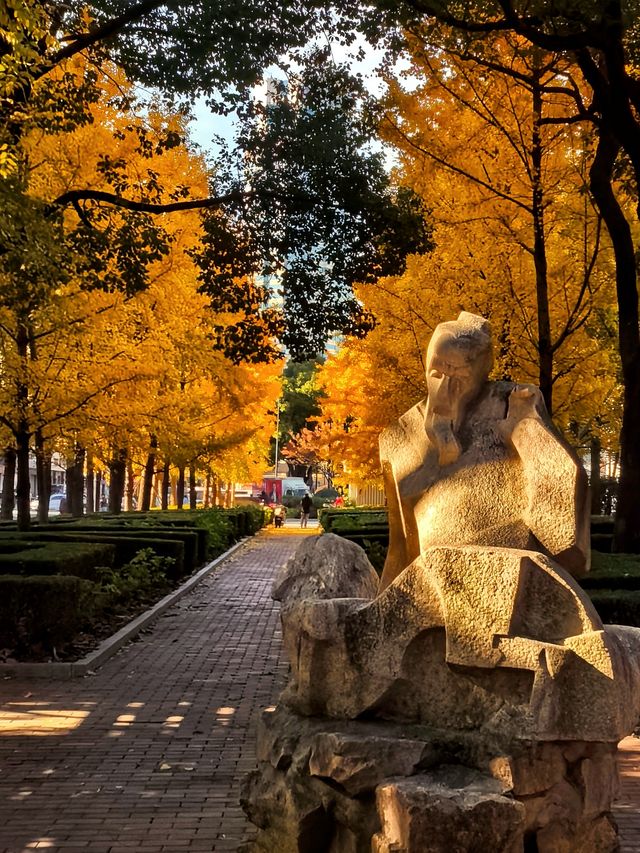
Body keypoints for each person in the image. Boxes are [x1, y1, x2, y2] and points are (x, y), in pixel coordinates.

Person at [379, 310, 589, 591]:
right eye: (437, 372)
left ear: (481, 373)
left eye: (459, 377)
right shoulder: (397, 437)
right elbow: (400, 548)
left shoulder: (511, 405)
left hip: (506, 583)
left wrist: (525, 431)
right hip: (430, 594)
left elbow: (562, 530)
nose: (444, 390)